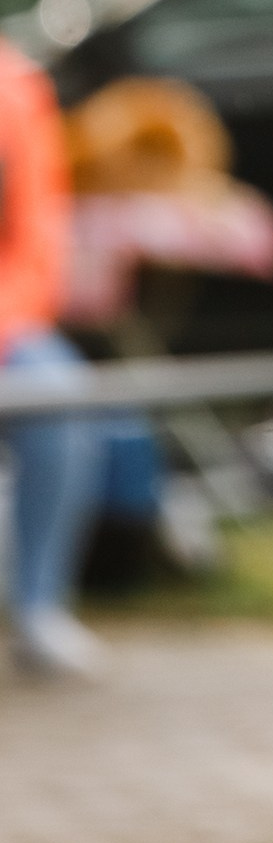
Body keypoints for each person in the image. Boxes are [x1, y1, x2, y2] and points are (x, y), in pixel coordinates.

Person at [0, 40, 109, 678]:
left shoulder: (16, 85)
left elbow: (38, 239)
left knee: (61, 392)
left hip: (6, 330)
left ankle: (39, 608)